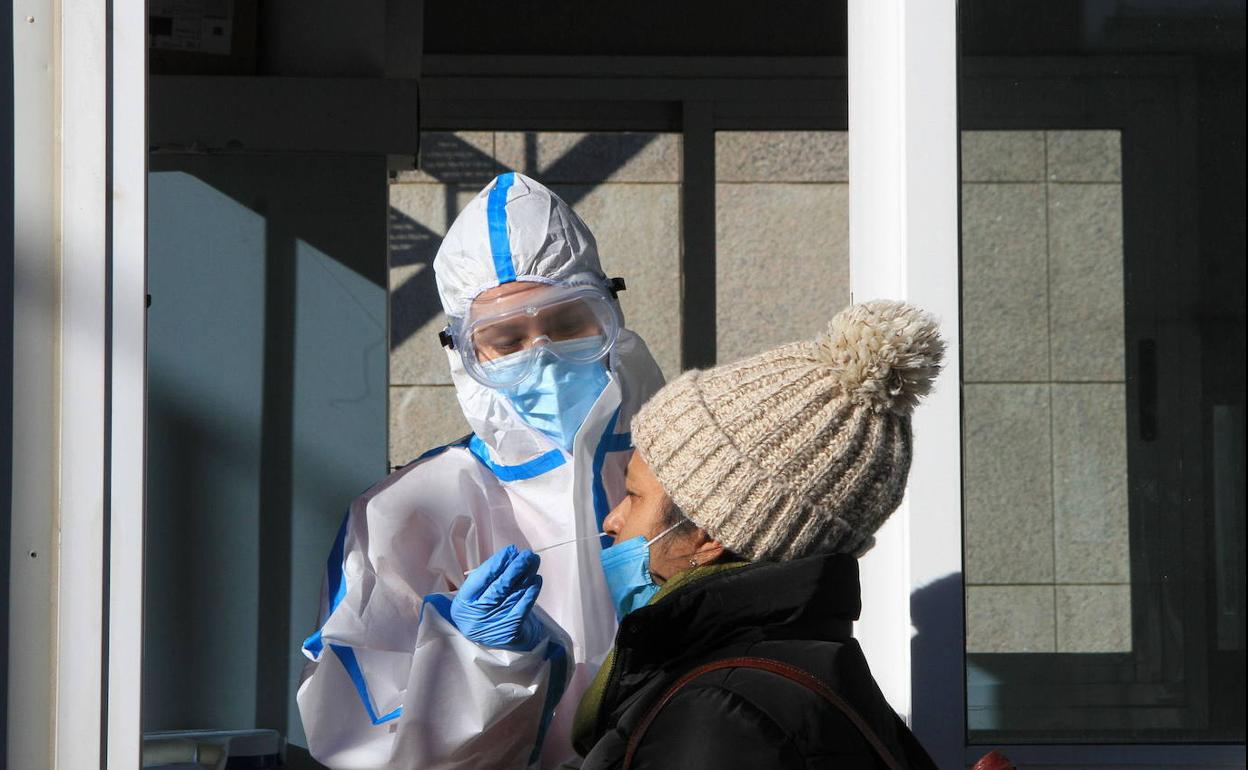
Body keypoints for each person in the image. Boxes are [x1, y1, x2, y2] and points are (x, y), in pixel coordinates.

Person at [297, 172, 665, 769]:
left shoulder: (688, 468)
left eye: (569, 322)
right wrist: (481, 665)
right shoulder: (410, 510)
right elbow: (364, 741)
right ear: (464, 355)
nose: (541, 354)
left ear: (610, 314)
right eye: (506, 339)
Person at [572, 300, 945, 770]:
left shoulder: (720, 715)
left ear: (708, 537)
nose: (611, 519)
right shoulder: (795, 677)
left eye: (634, 495)